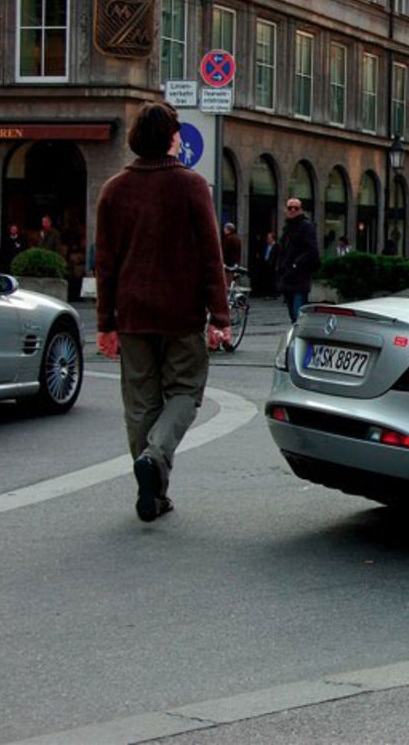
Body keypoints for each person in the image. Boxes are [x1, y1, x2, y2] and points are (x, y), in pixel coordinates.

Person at [94, 101, 230, 523]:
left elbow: (106, 264)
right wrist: (220, 317)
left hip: (132, 312)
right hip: (181, 313)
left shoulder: (114, 189)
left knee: (140, 405)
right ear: (172, 138)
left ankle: (152, 492)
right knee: (185, 392)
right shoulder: (191, 186)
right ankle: (155, 458)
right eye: (176, 131)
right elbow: (212, 256)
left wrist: (105, 323)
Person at [276, 197, 320, 322]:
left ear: (301, 210)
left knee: (298, 314)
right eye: (290, 208)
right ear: (286, 209)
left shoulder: (307, 226)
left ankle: (301, 340)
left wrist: (296, 264)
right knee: (293, 314)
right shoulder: (287, 228)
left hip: (300, 277)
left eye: (296, 208)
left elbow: (312, 251)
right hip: (288, 277)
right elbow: (283, 251)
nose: (293, 210)